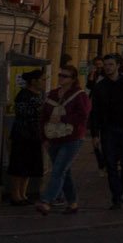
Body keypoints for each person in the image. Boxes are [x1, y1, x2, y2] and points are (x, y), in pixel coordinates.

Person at [35, 65, 91, 215]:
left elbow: (83, 116)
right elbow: (44, 117)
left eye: (64, 76)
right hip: (53, 138)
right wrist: (44, 137)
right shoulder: (53, 94)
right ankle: (72, 202)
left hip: (72, 138)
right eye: (60, 75)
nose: (60, 77)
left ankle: (47, 201)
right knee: (64, 171)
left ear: (73, 79)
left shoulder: (80, 96)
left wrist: (63, 118)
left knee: (58, 169)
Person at [90, 55, 123, 208]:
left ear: (118, 65)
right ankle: (116, 196)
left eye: (111, 64)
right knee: (111, 164)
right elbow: (95, 112)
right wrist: (95, 134)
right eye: (106, 65)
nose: (108, 67)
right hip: (108, 130)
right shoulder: (100, 87)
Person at [6, 70, 46, 206]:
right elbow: (23, 113)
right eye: (41, 79)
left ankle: (23, 194)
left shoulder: (39, 95)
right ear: (33, 81)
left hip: (34, 135)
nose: (43, 82)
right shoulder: (23, 95)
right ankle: (15, 195)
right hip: (22, 134)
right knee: (19, 164)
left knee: (29, 165)